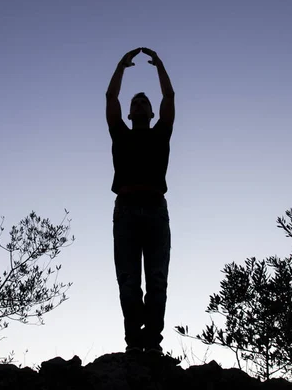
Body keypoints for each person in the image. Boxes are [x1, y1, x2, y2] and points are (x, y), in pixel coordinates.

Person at [105, 47, 175, 356]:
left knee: (157, 279)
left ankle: (153, 343)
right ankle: (134, 342)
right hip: (127, 210)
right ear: (131, 114)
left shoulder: (161, 133)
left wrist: (159, 66)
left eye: (144, 101)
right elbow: (111, 99)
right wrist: (121, 66)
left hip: (156, 210)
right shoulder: (120, 133)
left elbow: (169, 99)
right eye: (136, 102)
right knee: (129, 280)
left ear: (151, 112)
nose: (140, 104)